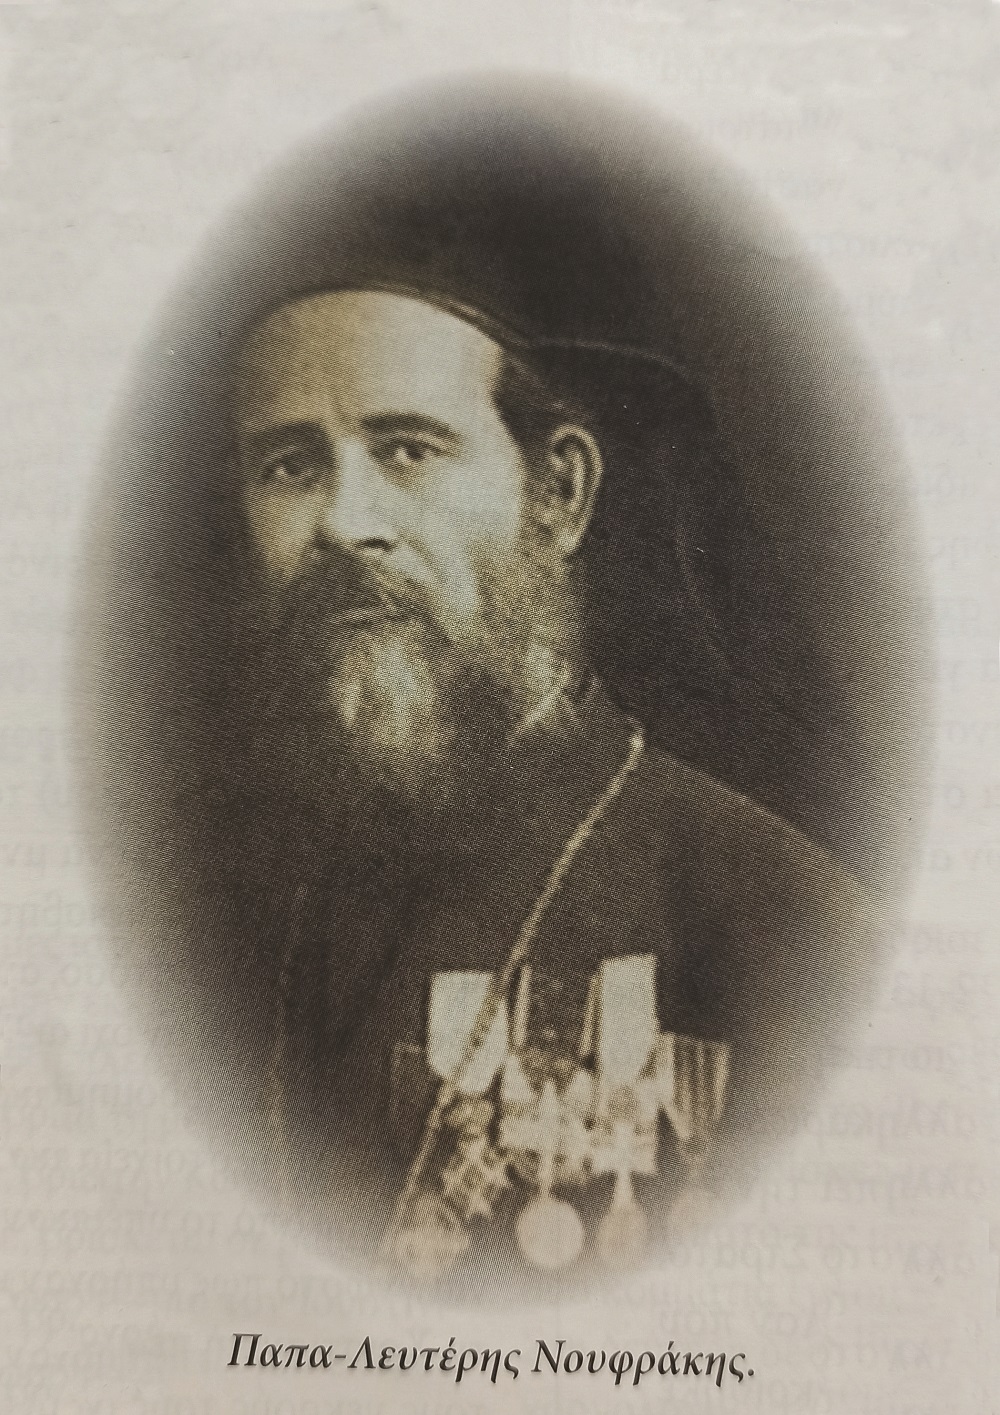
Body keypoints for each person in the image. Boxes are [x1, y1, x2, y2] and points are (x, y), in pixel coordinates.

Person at [225, 278, 874, 1289]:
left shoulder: (783, 921)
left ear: (558, 493)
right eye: (290, 465)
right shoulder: (190, 913)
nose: (345, 522)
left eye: (407, 449)